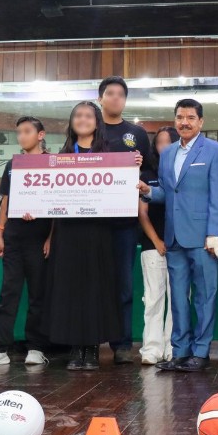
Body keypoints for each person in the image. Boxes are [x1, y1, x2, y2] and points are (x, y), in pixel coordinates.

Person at [138, 98, 218, 373]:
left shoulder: (215, 150)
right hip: (174, 236)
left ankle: (200, 352)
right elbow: (168, 192)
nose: (184, 122)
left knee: (204, 297)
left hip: (203, 238)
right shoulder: (168, 153)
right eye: (180, 117)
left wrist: (214, 233)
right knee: (178, 299)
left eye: (190, 117)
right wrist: (148, 192)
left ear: (200, 121)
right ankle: (180, 352)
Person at [46, 102, 122, 371]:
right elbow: (49, 197)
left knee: (94, 287)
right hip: (68, 231)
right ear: (71, 122)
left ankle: (91, 348)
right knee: (70, 289)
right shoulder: (60, 155)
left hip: (97, 231)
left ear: (97, 121)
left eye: (88, 115)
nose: (83, 119)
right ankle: (74, 348)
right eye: (78, 115)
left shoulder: (109, 154)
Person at [0, 116, 52, 368]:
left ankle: (36, 347)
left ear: (40, 135)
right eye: (19, 132)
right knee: (8, 292)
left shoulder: (52, 164)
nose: (22, 136)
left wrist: (51, 237)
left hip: (39, 237)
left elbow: (59, 203)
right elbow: (6, 200)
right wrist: (0, 232)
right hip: (14, 235)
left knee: (38, 294)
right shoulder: (13, 164)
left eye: (27, 131)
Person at [98, 75, 148, 364]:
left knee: (123, 286)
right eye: (110, 93)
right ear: (101, 98)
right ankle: (89, 341)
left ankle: (123, 344)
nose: (115, 98)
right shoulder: (89, 128)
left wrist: (142, 178)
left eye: (120, 94)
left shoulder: (136, 134)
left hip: (124, 223)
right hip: (90, 222)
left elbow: (150, 172)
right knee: (92, 282)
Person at [137, 126, 178, 366]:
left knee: (178, 300)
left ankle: (173, 346)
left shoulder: (181, 174)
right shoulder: (148, 174)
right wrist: (156, 241)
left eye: (168, 142)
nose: (163, 147)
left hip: (180, 246)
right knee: (153, 299)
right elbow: (142, 213)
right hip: (153, 245)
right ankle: (151, 349)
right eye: (159, 142)